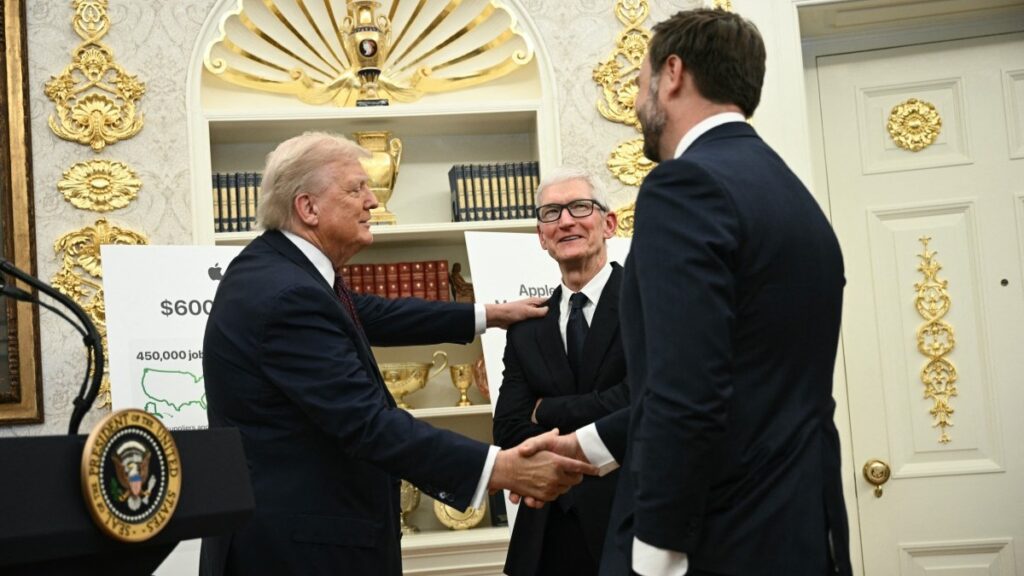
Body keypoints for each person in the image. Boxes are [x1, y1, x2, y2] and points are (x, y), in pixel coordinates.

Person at [521, 9, 851, 576]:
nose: (636, 103)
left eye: (639, 82)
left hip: (716, 538)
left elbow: (687, 391)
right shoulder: (790, 192)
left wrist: (656, 551)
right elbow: (740, 384)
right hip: (797, 529)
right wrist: (585, 445)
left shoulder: (685, 186)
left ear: (671, 74)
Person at [199, 132, 597, 576]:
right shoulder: (287, 294)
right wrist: (498, 468)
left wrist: (489, 314)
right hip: (299, 552)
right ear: (308, 208)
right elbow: (367, 424)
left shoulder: (278, 269)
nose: (373, 201)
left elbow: (374, 314)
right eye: (356, 189)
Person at [493, 168, 629, 576]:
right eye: (551, 213)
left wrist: (547, 410)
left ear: (609, 224)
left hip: (633, 525)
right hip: (547, 535)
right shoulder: (526, 326)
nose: (566, 221)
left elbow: (643, 400)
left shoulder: (648, 304)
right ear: (541, 236)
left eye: (580, 207)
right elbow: (508, 428)